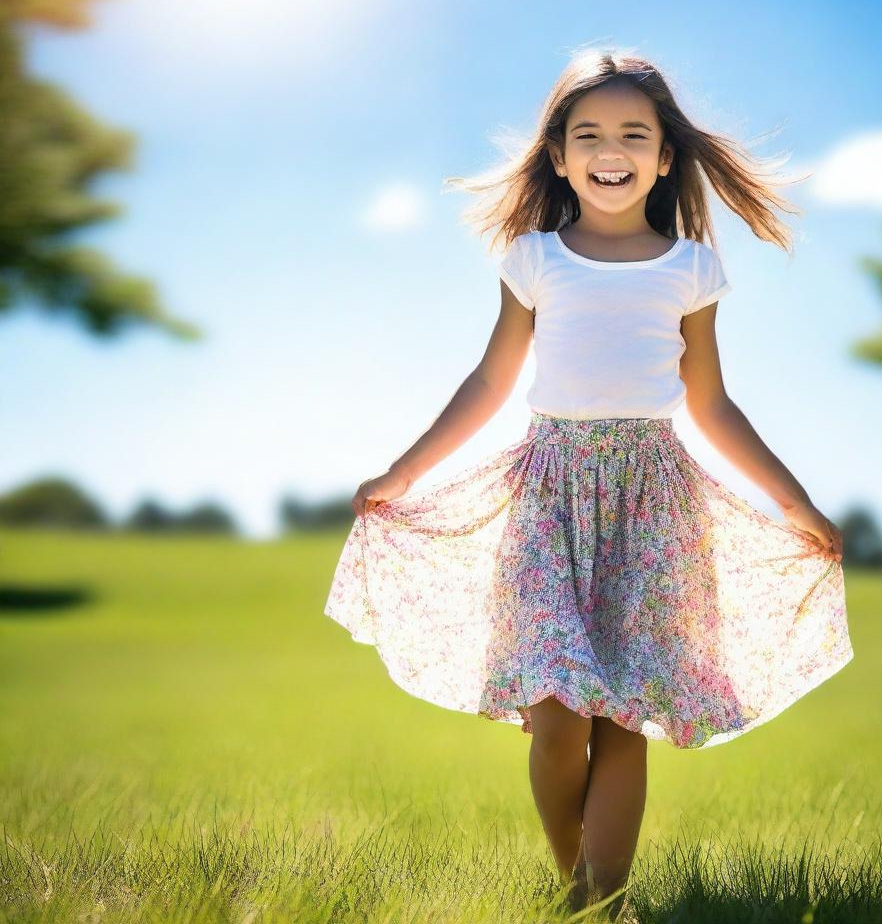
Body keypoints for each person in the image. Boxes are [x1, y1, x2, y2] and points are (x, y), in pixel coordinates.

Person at [324, 49, 854, 920]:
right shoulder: (535, 259)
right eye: (589, 134)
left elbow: (710, 402)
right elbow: (492, 382)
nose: (612, 149)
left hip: (654, 507)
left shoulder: (690, 269)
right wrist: (404, 471)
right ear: (561, 158)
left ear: (664, 157)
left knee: (621, 720)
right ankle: (571, 872)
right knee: (556, 706)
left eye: (633, 134)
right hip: (548, 496)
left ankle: (600, 904)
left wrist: (794, 504)